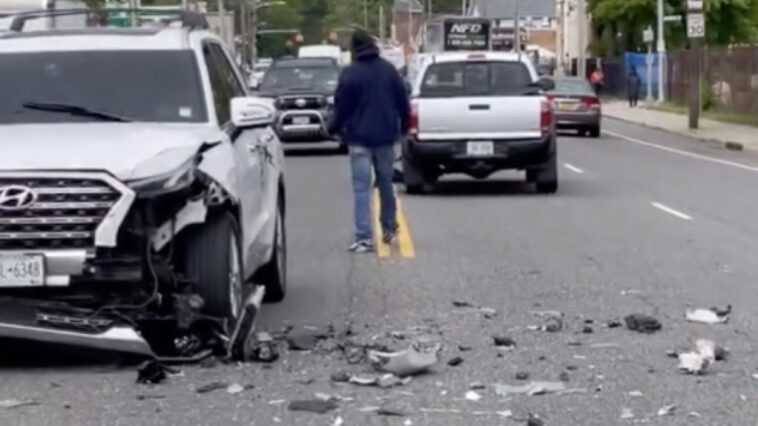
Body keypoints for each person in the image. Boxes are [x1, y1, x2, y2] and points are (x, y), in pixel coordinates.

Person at [328, 30, 410, 253]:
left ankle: (364, 237)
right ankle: (389, 227)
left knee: (361, 188)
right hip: (385, 137)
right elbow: (403, 101)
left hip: (359, 139)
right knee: (385, 183)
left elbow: (341, 107)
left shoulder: (350, 74)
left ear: (354, 49)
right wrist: (403, 127)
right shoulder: (388, 70)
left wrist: (332, 128)